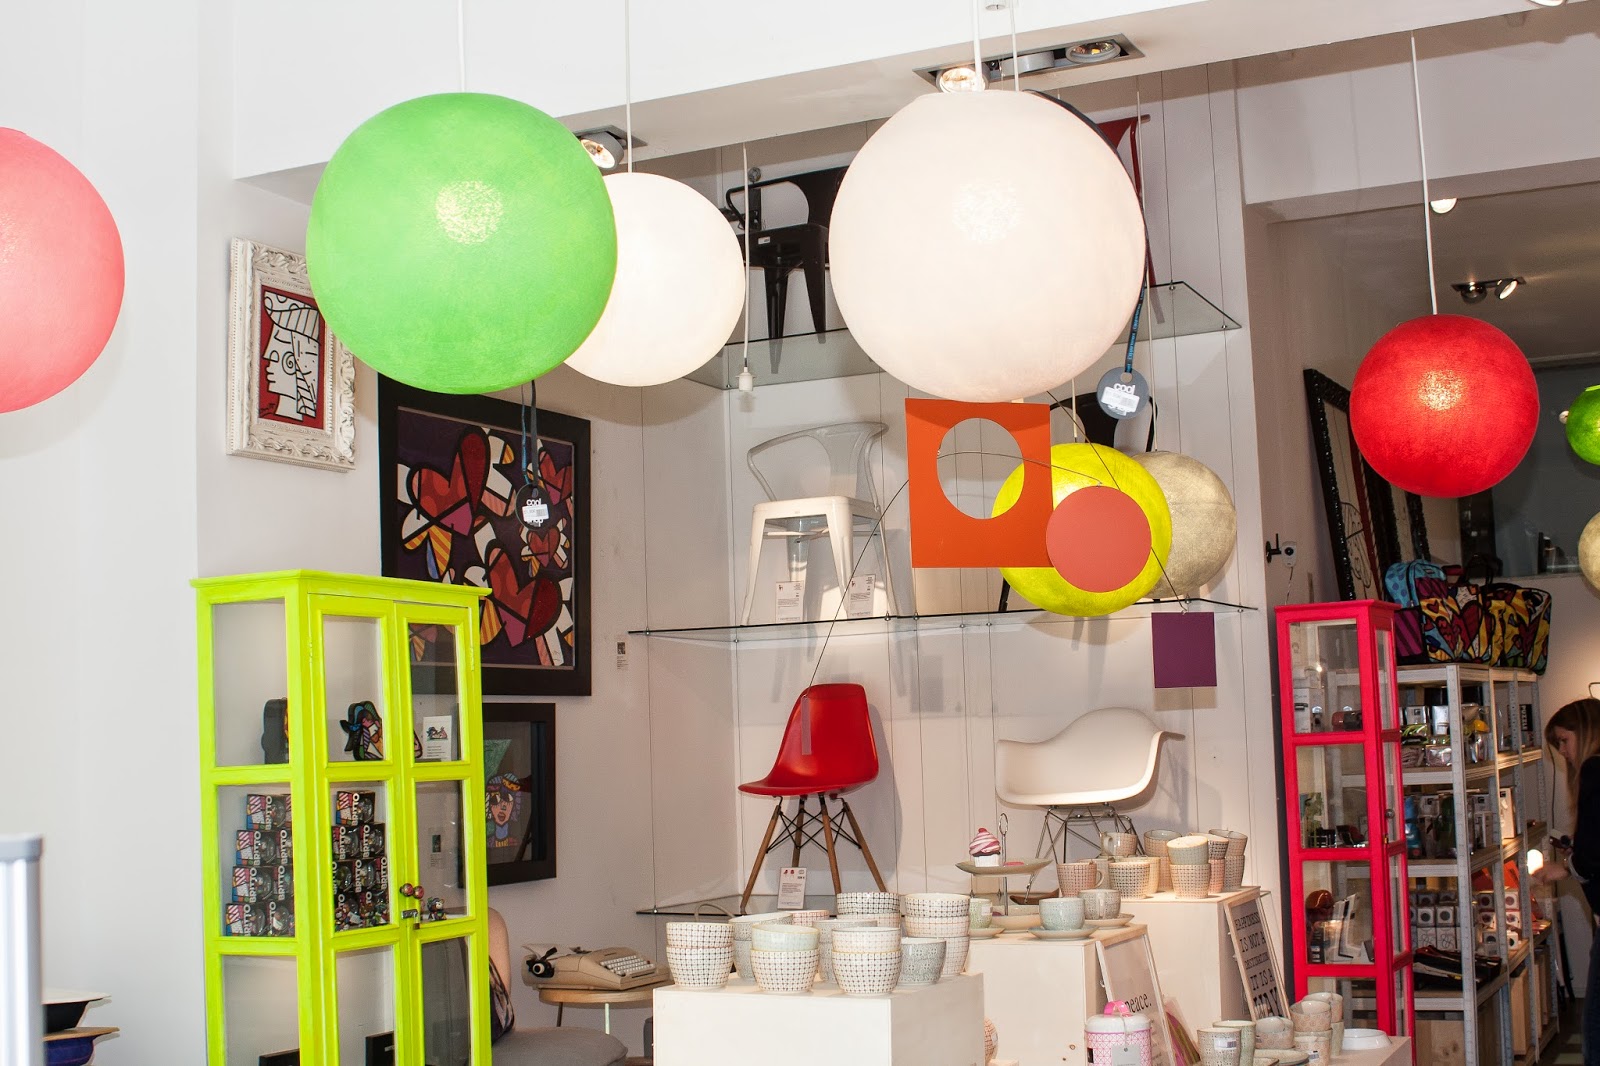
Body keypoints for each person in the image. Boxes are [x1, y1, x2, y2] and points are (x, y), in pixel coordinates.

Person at [1536, 698, 1600, 1063]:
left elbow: (1593, 853)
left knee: (1595, 1027)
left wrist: (1567, 867)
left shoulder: (1594, 770)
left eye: (1564, 740)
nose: (1563, 751)